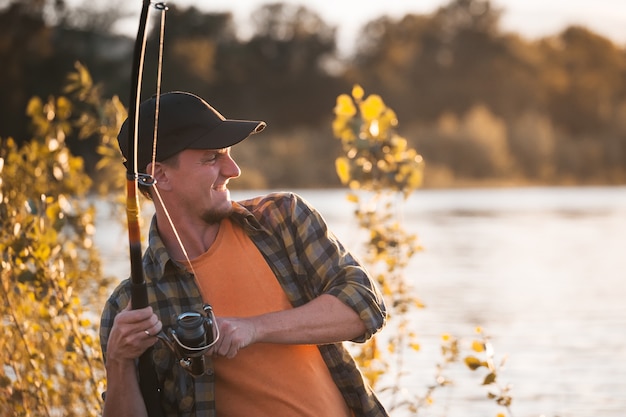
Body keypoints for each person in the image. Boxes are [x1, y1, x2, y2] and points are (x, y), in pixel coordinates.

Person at [99, 91, 389, 417]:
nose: (233, 169)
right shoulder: (130, 307)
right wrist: (119, 362)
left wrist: (254, 328)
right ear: (160, 175)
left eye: (229, 154)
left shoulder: (283, 219)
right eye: (211, 158)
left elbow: (365, 304)